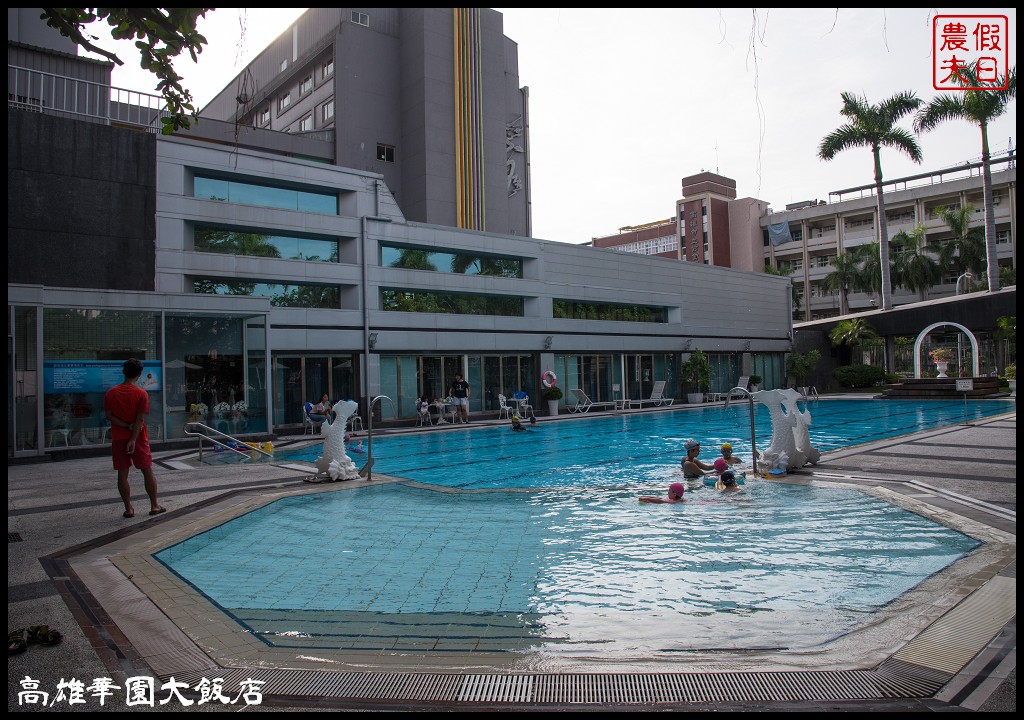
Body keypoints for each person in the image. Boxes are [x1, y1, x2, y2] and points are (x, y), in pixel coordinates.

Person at [104, 358, 165, 519]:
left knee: (122, 474)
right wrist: (133, 438)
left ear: (124, 372)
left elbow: (109, 416)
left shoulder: (111, 393)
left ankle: (129, 508)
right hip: (138, 438)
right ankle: (154, 505)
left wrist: (124, 426)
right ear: (139, 375)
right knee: (146, 469)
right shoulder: (141, 394)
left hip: (119, 438)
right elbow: (139, 420)